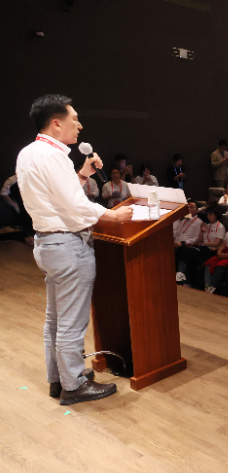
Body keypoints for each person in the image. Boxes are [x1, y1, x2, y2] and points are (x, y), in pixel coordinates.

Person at [17, 94, 134, 404]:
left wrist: (82, 173)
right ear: (56, 123)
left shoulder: (30, 152)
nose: (79, 125)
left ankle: (59, 378)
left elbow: (57, 194)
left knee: (55, 319)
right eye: (74, 119)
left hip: (47, 243)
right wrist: (113, 215)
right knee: (71, 321)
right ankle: (74, 386)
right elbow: (74, 203)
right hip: (67, 245)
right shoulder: (53, 155)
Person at [176, 206, 225, 287]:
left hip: (210, 251)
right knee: (185, 251)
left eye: (211, 215)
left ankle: (182, 274)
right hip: (202, 248)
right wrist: (201, 231)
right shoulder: (207, 225)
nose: (208, 217)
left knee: (187, 251)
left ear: (216, 215)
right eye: (208, 215)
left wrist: (203, 244)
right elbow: (200, 240)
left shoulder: (220, 227)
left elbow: (217, 243)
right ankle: (184, 278)